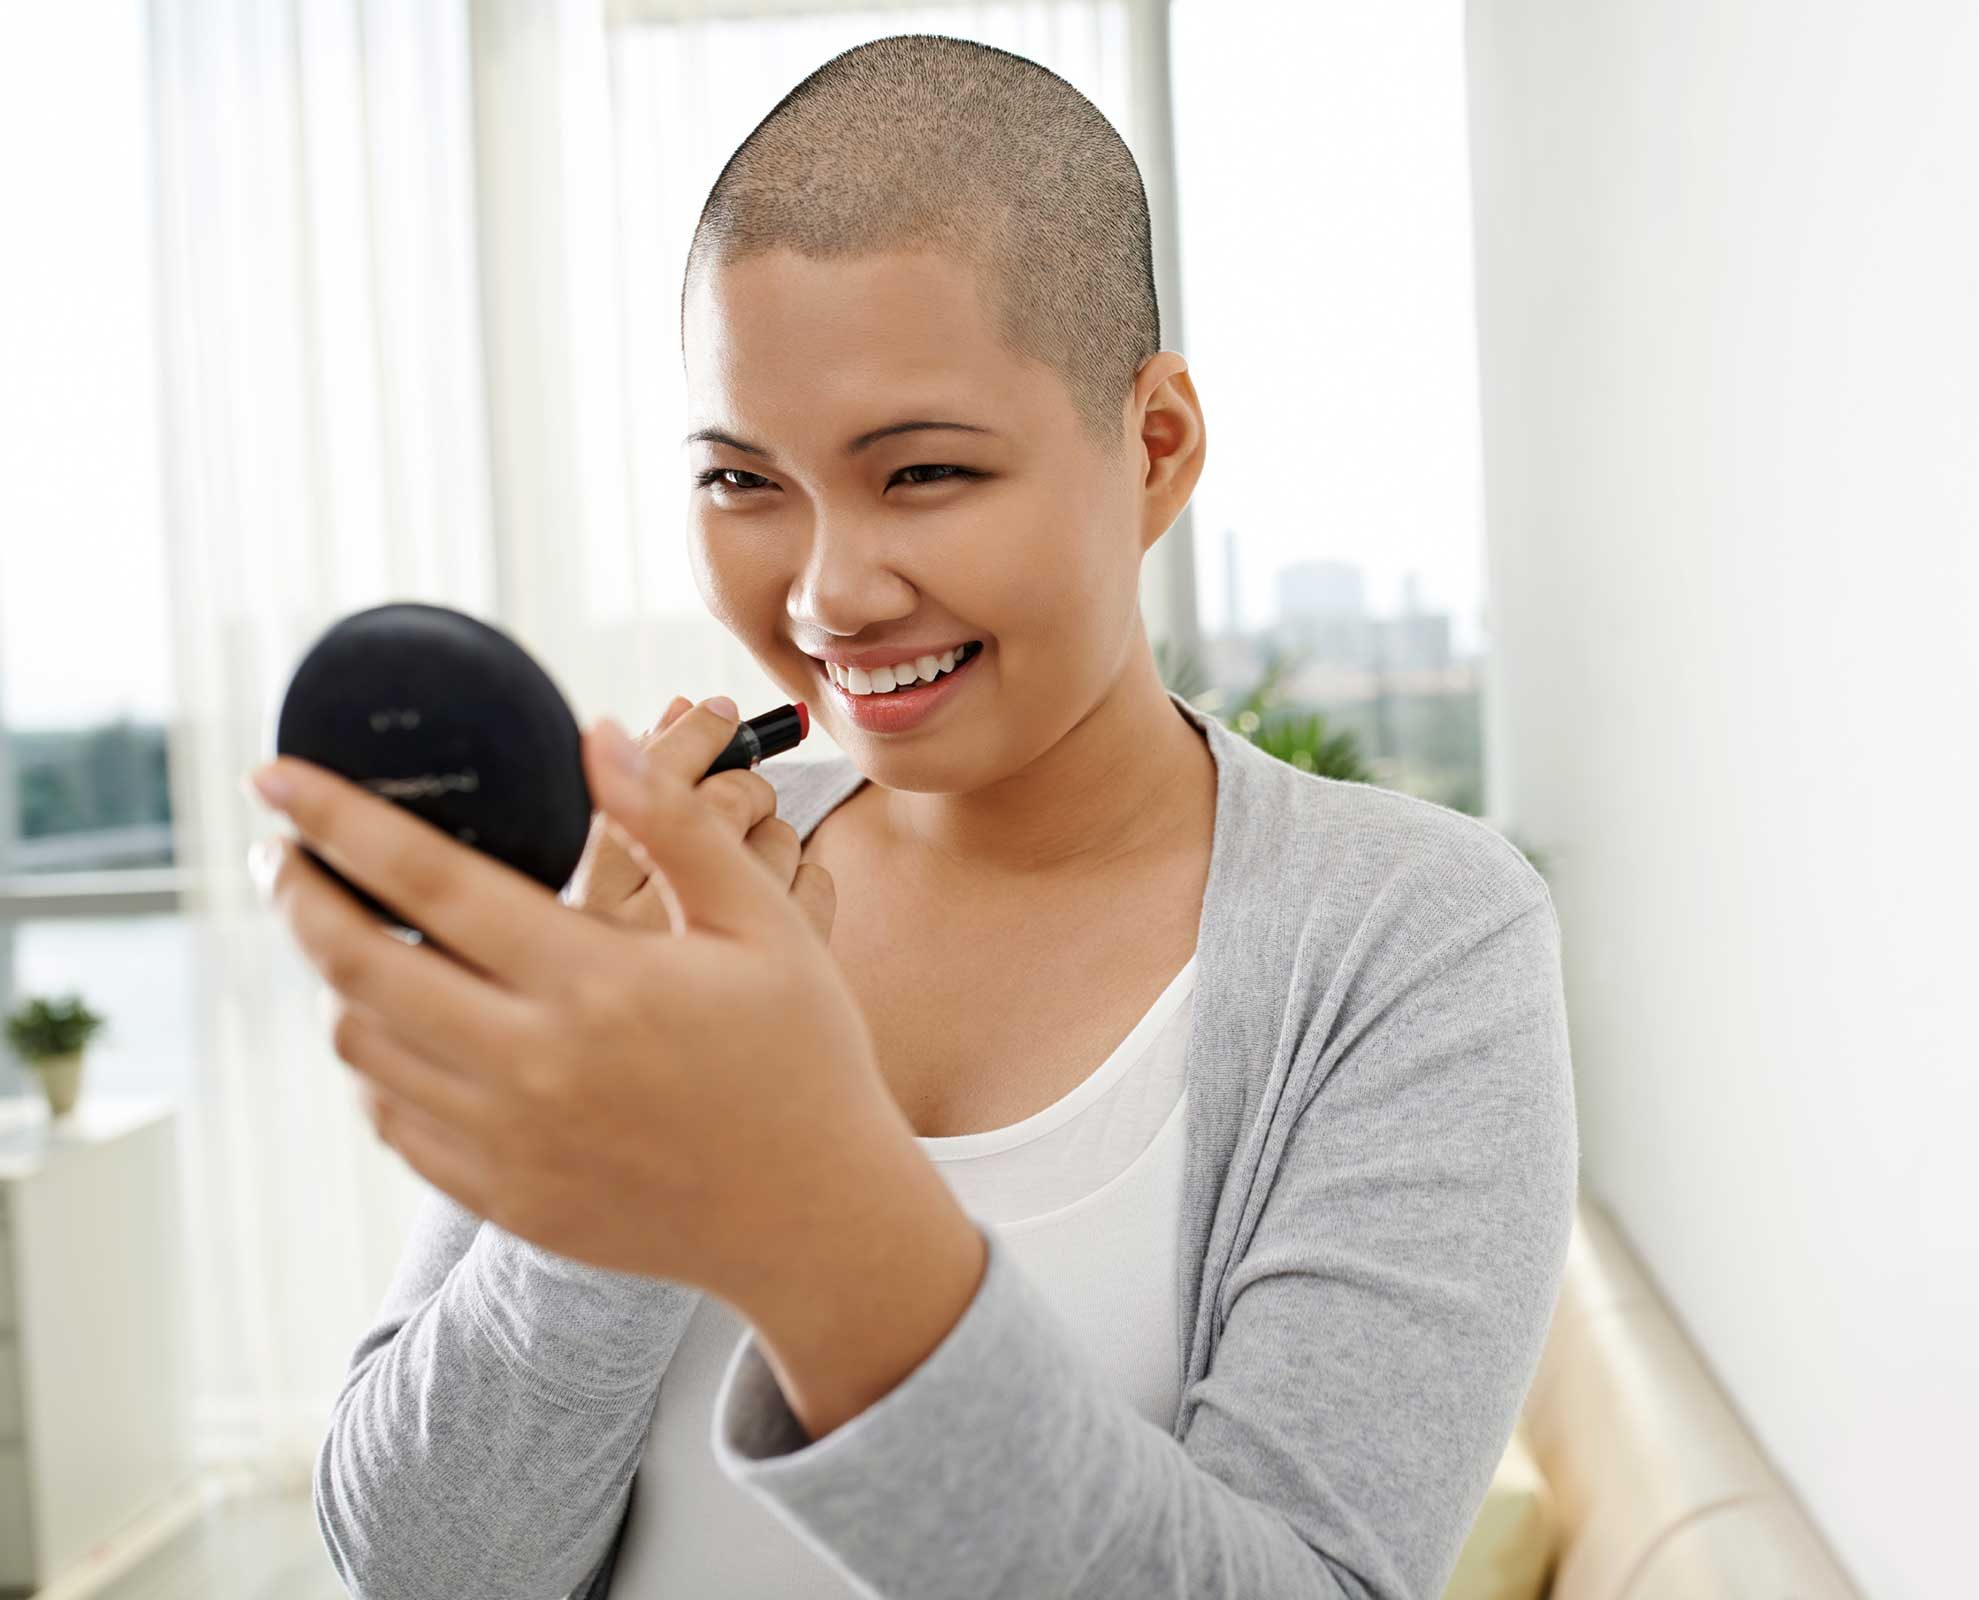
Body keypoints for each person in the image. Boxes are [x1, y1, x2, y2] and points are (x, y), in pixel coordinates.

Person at [298, 32, 1577, 1599]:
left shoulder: (1410, 941)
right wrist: (599, 1194)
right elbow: (422, 1570)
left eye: (923, 475)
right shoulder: (654, 903)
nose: (828, 591)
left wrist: (795, 1203)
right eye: (739, 482)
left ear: (1156, 445)